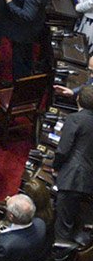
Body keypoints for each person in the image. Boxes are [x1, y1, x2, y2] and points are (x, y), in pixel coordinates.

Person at [55, 85, 93, 243]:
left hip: (72, 178)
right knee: (77, 220)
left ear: (78, 99)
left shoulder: (75, 119)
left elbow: (63, 150)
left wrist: (56, 167)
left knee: (63, 227)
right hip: (88, 179)